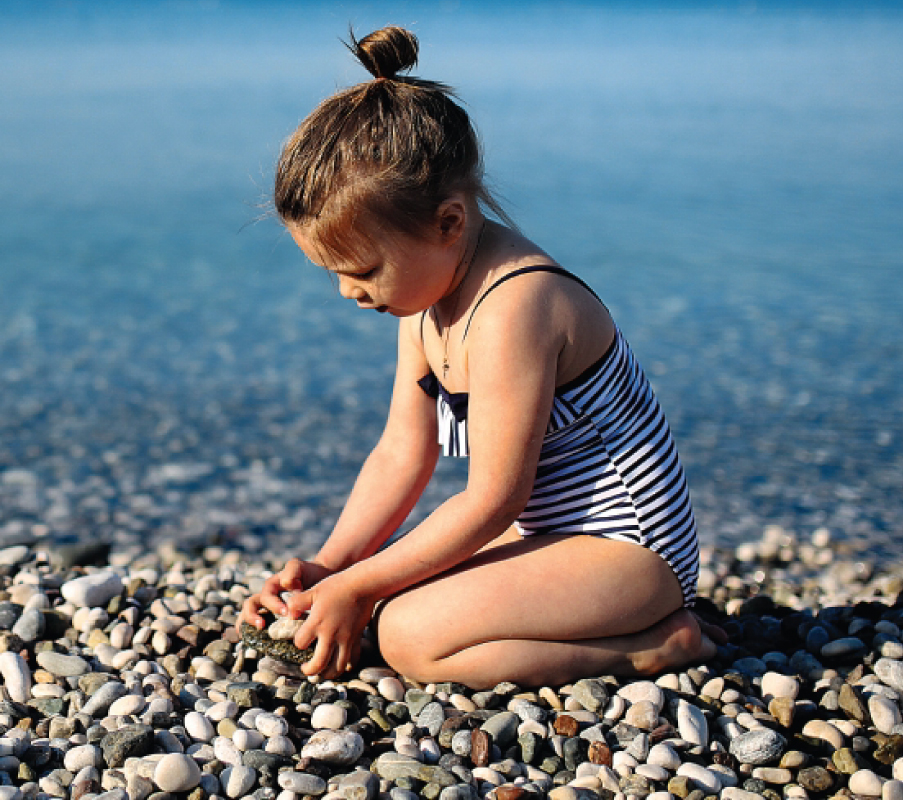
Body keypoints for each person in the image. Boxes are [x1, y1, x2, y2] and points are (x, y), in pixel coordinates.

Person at [241, 25, 722, 690]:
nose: (350, 293)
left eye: (363, 270)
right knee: (379, 598)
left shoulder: (514, 310)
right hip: (552, 538)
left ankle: (651, 645)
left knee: (409, 637)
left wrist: (359, 586)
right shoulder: (426, 296)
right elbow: (401, 455)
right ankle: (619, 629)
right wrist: (333, 569)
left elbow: (495, 500)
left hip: (630, 554)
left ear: (448, 223)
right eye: (335, 274)